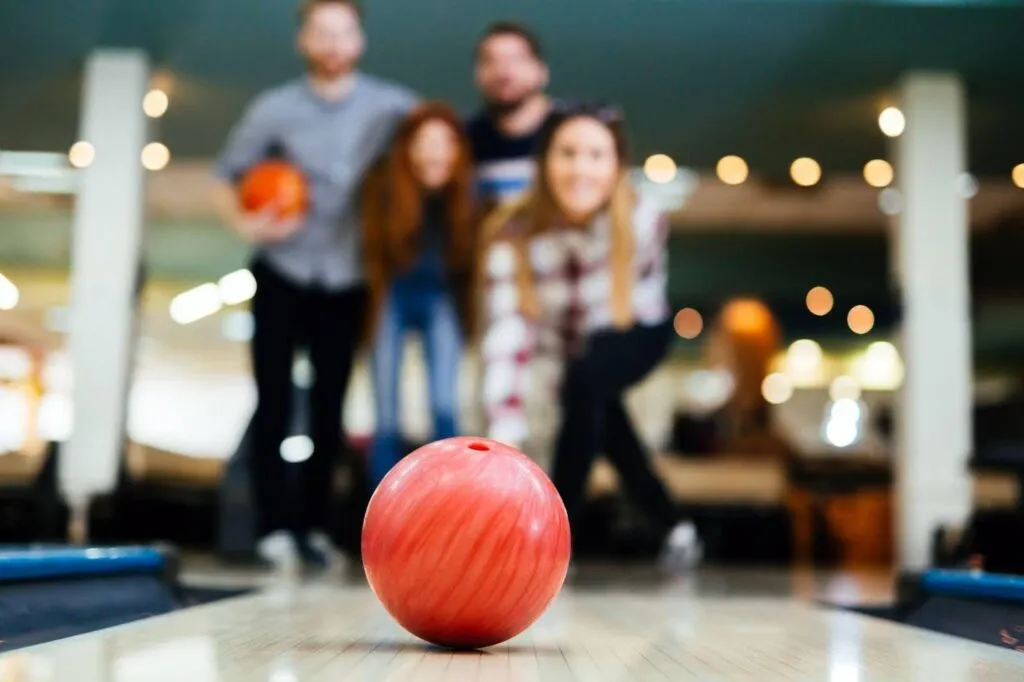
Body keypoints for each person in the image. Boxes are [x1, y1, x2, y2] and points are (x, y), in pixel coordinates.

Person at [212, 0, 417, 570]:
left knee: (331, 407)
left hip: (348, 278)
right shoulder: (273, 109)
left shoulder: (392, 105)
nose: (331, 44)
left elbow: (437, 141)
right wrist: (245, 221)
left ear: (359, 42)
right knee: (273, 401)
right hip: (281, 271)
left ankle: (315, 530)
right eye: (319, 33)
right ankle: (273, 527)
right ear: (304, 41)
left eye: (342, 32)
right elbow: (224, 178)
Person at [479, 102, 702, 569]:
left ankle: (558, 534)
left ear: (616, 166)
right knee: (600, 411)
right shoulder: (510, 233)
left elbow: (615, 317)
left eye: (597, 155)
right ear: (543, 163)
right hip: (576, 352)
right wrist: (503, 445)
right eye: (568, 153)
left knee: (585, 382)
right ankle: (676, 527)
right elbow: (507, 339)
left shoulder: (643, 219)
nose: (582, 168)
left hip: (637, 330)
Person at [361, 103, 476, 485]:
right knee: (385, 412)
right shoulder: (385, 190)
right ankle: (382, 510)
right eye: (424, 142)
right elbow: (372, 257)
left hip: (439, 298)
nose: (434, 152)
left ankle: (449, 498)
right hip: (392, 297)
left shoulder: (465, 197)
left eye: (445, 142)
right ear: (408, 148)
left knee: (444, 404)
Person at [467, 21, 553, 212]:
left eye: (515, 60)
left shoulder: (572, 131)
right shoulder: (465, 140)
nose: (504, 72)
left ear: (542, 71)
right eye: (491, 61)